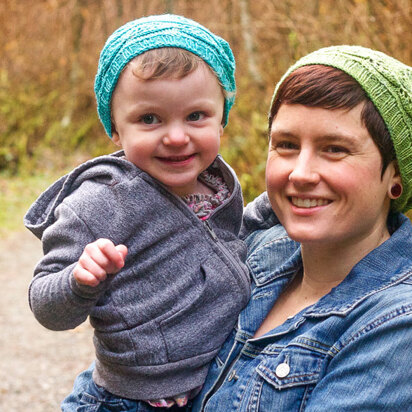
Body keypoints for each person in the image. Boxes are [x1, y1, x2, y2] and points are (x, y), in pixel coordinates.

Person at [62, 45, 412, 411]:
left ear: (395, 176)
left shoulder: (395, 327)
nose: (301, 173)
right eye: (287, 145)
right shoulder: (250, 250)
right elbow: (126, 376)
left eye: (335, 149)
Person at [24, 14, 251, 411]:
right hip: (128, 401)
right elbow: (45, 305)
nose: (177, 136)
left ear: (222, 117)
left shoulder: (218, 184)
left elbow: (227, 244)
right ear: (115, 128)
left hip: (213, 385)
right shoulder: (101, 202)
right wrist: (81, 279)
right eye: (149, 119)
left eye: (196, 116)